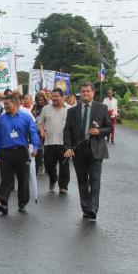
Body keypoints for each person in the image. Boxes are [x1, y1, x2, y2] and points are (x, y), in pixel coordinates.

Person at [63, 82, 112, 221]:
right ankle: (85, 208)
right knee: (82, 180)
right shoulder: (72, 111)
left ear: (93, 93)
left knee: (95, 180)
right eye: (83, 91)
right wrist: (68, 147)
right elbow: (67, 131)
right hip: (79, 150)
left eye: (88, 91)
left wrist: (99, 131)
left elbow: (109, 127)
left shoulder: (102, 108)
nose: (85, 93)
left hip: (96, 148)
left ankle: (93, 209)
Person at [0, 94, 40, 215]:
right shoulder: (1, 119)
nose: (5, 106)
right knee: (5, 179)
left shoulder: (26, 118)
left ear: (15, 104)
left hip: (21, 152)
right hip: (6, 152)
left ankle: (22, 203)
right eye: (4, 104)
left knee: (23, 178)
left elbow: (33, 132)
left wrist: (35, 146)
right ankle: (3, 203)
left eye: (7, 104)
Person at [38, 88, 70, 194]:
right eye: (53, 96)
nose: (54, 98)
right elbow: (40, 122)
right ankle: (53, 179)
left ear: (62, 97)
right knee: (48, 164)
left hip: (64, 143)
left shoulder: (70, 109)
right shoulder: (46, 108)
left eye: (57, 96)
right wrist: (42, 130)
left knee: (64, 165)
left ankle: (63, 186)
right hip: (49, 142)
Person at [31, 92, 47, 174]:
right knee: (38, 148)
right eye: (38, 100)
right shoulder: (35, 107)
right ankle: (38, 166)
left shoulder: (47, 107)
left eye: (41, 100)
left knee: (46, 149)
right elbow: (31, 117)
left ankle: (47, 166)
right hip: (35, 129)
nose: (40, 101)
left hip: (45, 130)